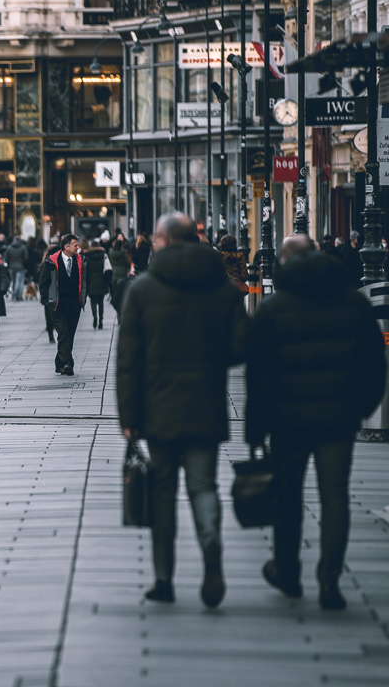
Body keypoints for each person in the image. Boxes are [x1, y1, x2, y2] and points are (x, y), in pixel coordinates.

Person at [246, 234, 387, 610]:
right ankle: (330, 582)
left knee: (287, 495)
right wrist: (359, 408)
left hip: (287, 421)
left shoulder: (273, 310)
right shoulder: (352, 304)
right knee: (334, 497)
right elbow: (375, 366)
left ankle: (288, 573)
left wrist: (255, 427)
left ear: (285, 262)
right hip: (338, 420)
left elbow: (257, 375)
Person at [116, 212, 248, 609]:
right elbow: (242, 346)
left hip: (158, 408)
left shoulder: (142, 289)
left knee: (162, 492)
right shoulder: (222, 288)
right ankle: (211, 554)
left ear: (168, 241)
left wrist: (128, 417)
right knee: (203, 485)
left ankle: (164, 579)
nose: (152, 243)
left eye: (156, 238)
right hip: (205, 402)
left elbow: (128, 360)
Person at [41, 235, 87, 375]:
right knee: (63, 332)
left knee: (70, 334)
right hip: (57, 305)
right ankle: (68, 363)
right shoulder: (51, 262)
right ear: (66, 247)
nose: (77, 247)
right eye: (75, 245)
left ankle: (59, 363)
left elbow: (85, 280)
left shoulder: (81, 261)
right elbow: (43, 282)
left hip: (74, 304)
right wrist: (46, 300)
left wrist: (83, 298)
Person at [84, 239, 109, 329]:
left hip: (91, 282)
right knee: (101, 302)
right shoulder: (103, 255)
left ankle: (95, 316)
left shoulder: (87, 256)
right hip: (101, 281)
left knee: (93, 301)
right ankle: (101, 320)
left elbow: (86, 271)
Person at [38, 245, 60, 342]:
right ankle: (52, 333)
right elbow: (42, 281)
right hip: (51, 294)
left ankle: (51, 333)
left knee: (49, 316)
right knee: (51, 315)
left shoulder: (46, 262)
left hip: (50, 295)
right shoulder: (48, 263)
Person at [5, 236, 30, 301]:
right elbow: (26, 257)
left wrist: (9, 264)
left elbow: (6, 257)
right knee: (20, 282)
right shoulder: (23, 247)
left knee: (13, 281)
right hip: (21, 266)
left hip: (12, 266)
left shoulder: (9, 247)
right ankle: (18, 295)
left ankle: (13, 294)